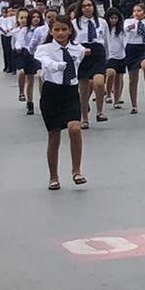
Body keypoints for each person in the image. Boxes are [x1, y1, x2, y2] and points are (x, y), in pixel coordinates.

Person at [33, 14, 89, 189]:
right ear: (51, 31)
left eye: (64, 29)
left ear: (70, 31)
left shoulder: (77, 49)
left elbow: (79, 62)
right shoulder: (45, 49)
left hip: (70, 92)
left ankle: (76, 171)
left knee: (74, 128)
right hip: (52, 93)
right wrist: (56, 66)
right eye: (56, 29)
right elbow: (45, 61)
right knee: (54, 136)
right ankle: (53, 176)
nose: (60, 33)